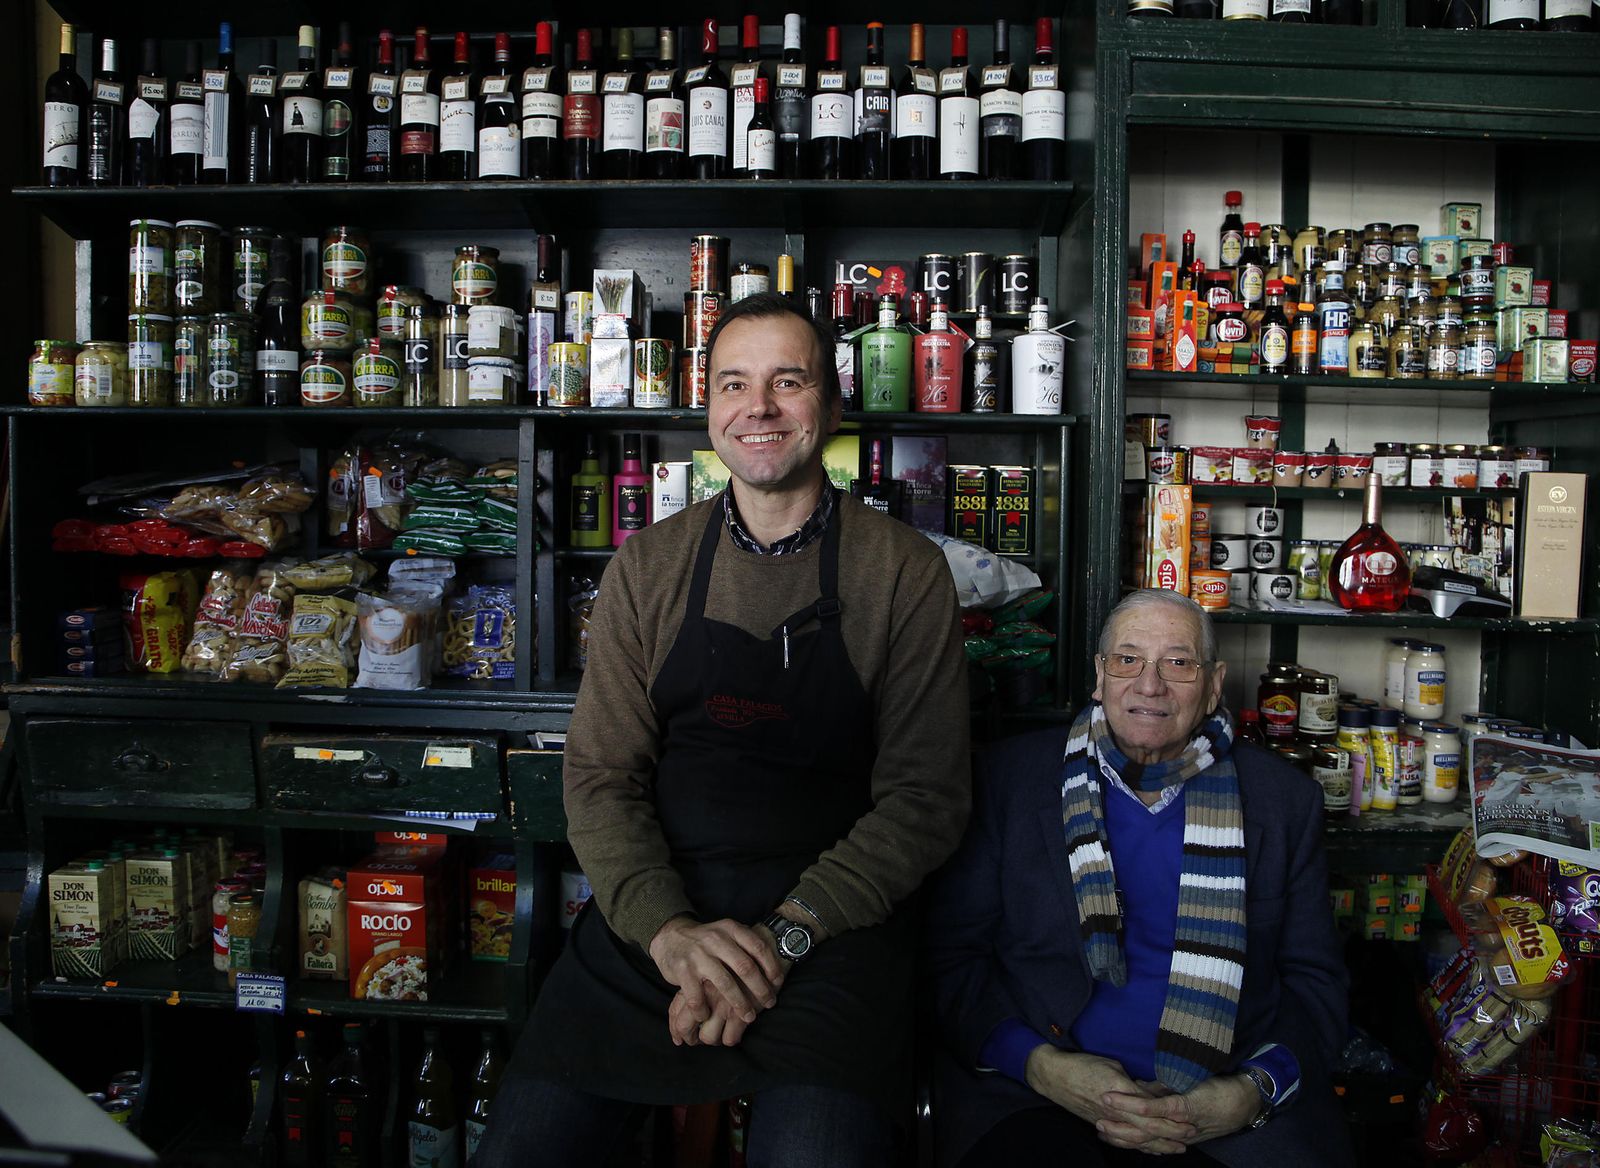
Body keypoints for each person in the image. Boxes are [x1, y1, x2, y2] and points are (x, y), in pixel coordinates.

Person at [474, 292, 971, 1167]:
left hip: (832, 928)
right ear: (709, 409)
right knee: (524, 1150)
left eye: (789, 380)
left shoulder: (903, 571)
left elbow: (926, 798)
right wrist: (668, 933)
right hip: (661, 917)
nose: (760, 407)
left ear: (832, 403)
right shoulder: (650, 565)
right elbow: (599, 779)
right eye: (735, 384)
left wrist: (783, 938)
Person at [925, 589, 1353, 1168]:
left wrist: (1248, 1093)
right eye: (1127, 660)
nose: (1149, 685)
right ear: (1099, 677)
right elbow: (951, 961)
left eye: (1178, 663)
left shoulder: (1282, 801)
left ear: (1214, 684)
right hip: (1041, 1094)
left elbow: (1316, 986)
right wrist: (1041, 1066)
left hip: (1225, 1101)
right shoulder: (1009, 781)